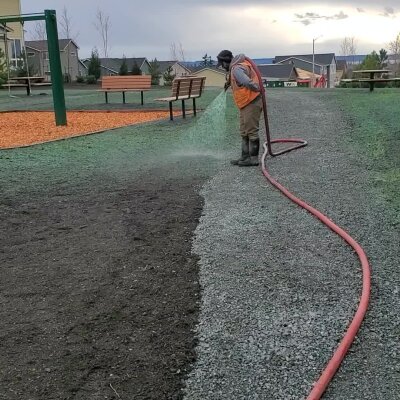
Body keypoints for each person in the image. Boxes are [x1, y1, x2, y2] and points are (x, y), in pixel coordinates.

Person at [217, 50, 262, 167]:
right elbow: (238, 81)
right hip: (245, 103)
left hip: (252, 101)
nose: (222, 67)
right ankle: (245, 156)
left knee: (251, 131)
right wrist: (228, 84)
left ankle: (253, 159)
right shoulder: (234, 68)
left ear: (226, 62)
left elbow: (246, 81)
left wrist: (257, 88)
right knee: (244, 131)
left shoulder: (236, 69)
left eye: (221, 64)